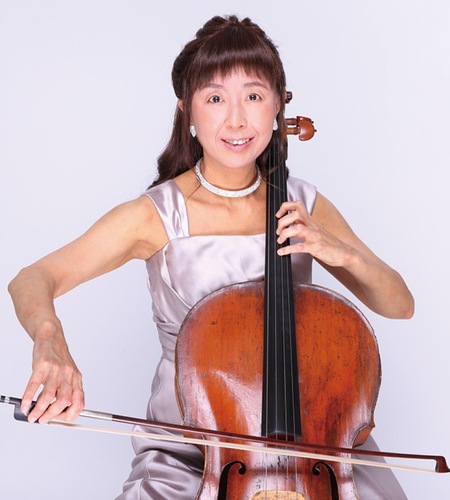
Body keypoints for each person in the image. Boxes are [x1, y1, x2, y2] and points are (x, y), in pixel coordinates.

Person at [8, 14, 414, 499]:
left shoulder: (302, 204)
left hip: (310, 449)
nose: (237, 120)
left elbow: (399, 304)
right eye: (215, 98)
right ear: (188, 111)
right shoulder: (156, 215)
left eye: (254, 97)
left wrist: (341, 252)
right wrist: (50, 341)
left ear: (277, 105)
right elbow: (33, 277)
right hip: (193, 456)